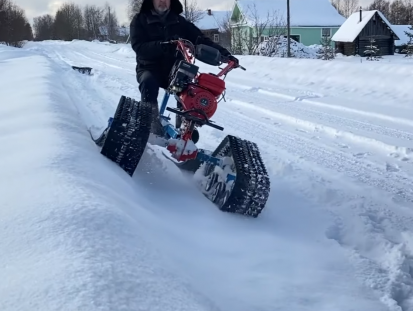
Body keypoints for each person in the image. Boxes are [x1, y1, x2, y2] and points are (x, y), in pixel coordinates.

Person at [129, 0, 238, 137]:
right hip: (149, 67)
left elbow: (201, 40)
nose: (163, 1)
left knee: (188, 88)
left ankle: (185, 128)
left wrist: (225, 55)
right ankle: (151, 126)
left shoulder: (180, 22)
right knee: (148, 82)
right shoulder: (140, 20)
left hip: (175, 69)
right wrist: (163, 45)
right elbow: (139, 47)